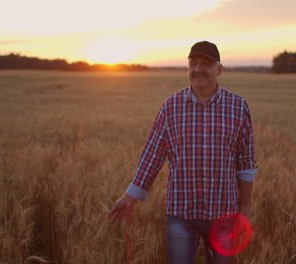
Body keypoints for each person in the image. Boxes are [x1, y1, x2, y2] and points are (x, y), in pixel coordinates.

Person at [108, 41, 258, 264]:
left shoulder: (238, 106)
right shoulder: (171, 106)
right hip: (181, 212)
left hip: (224, 213)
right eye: (193, 63)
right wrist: (130, 196)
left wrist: (245, 207)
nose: (198, 69)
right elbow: (152, 155)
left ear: (220, 69)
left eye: (206, 64)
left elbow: (245, 162)